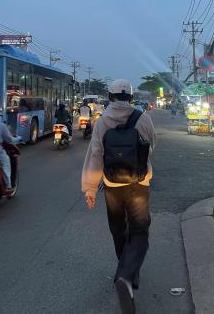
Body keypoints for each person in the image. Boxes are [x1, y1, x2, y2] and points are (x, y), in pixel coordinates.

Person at [82, 79, 156, 314]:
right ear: (130, 98)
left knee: (117, 229)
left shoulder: (103, 120)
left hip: (112, 185)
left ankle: (124, 271)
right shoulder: (142, 117)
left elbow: (95, 154)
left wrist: (90, 188)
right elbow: (152, 144)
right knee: (140, 231)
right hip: (139, 183)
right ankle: (127, 274)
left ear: (111, 97)